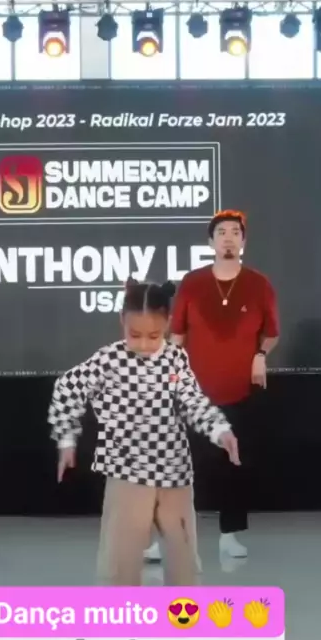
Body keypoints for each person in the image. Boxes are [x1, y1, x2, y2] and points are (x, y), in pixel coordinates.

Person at [48, 278, 240, 586]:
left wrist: (219, 429)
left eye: (154, 336)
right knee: (121, 559)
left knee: (183, 556)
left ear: (168, 323)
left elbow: (192, 400)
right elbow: (67, 387)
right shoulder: (109, 360)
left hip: (174, 472)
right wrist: (67, 438)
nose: (145, 345)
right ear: (122, 321)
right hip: (127, 472)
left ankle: (183, 611)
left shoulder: (176, 358)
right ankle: (124, 612)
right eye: (134, 335)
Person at [144, 210, 279, 563]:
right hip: (193, 392)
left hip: (240, 391)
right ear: (211, 241)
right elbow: (177, 336)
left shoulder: (259, 284)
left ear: (243, 241)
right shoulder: (193, 283)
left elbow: (271, 332)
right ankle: (167, 538)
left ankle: (229, 536)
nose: (228, 237)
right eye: (221, 232)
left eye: (235, 232)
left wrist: (260, 355)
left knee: (233, 466)